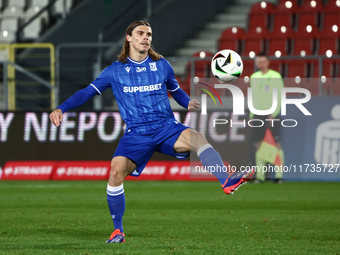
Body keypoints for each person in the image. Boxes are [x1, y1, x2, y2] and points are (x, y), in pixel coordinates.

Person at [49, 20, 254, 243]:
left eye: (149, 34)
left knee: (197, 137)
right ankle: (118, 231)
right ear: (129, 38)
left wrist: (187, 103)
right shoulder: (114, 72)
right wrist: (61, 108)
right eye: (140, 33)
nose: (146, 37)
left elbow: (176, 91)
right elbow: (87, 93)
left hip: (166, 127)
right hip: (137, 134)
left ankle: (226, 181)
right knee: (115, 172)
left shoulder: (161, 65)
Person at [248, 52, 285, 184]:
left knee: (276, 144)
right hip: (258, 114)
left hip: (272, 114)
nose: (261, 64)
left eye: (263, 62)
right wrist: (252, 115)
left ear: (268, 62)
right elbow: (253, 97)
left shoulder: (275, 76)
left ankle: (279, 176)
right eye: (259, 62)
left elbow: (279, 96)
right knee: (258, 144)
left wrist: (274, 113)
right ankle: (260, 176)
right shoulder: (254, 77)